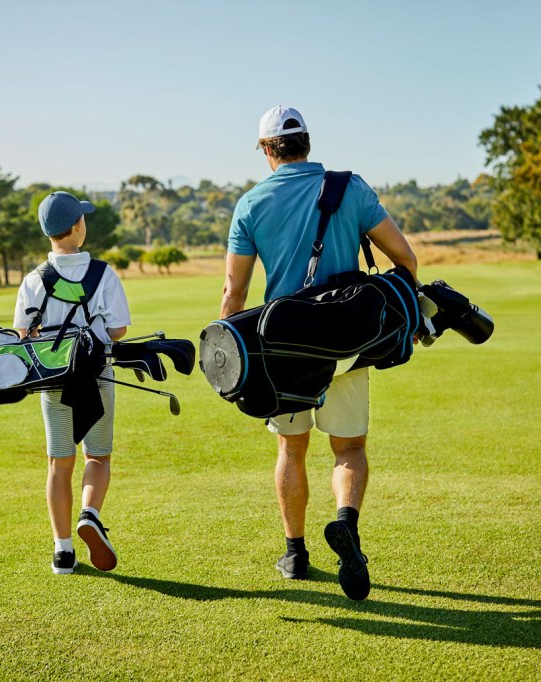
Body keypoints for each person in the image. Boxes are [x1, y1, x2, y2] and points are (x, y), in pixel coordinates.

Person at [220, 105, 417, 601]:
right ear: (307, 142)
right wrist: (410, 319)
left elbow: (234, 294)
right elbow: (405, 258)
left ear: (267, 150)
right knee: (349, 449)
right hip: (347, 345)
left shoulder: (250, 203)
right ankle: (346, 523)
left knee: (291, 449)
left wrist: (226, 358)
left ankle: (295, 552)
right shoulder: (350, 187)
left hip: (283, 350)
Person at [14, 191, 132, 575]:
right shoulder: (104, 273)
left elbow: (22, 335)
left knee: (58, 463)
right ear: (79, 226)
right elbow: (118, 330)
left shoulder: (33, 280)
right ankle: (90, 513)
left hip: (54, 383)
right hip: (97, 377)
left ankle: (63, 551)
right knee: (97, 456)